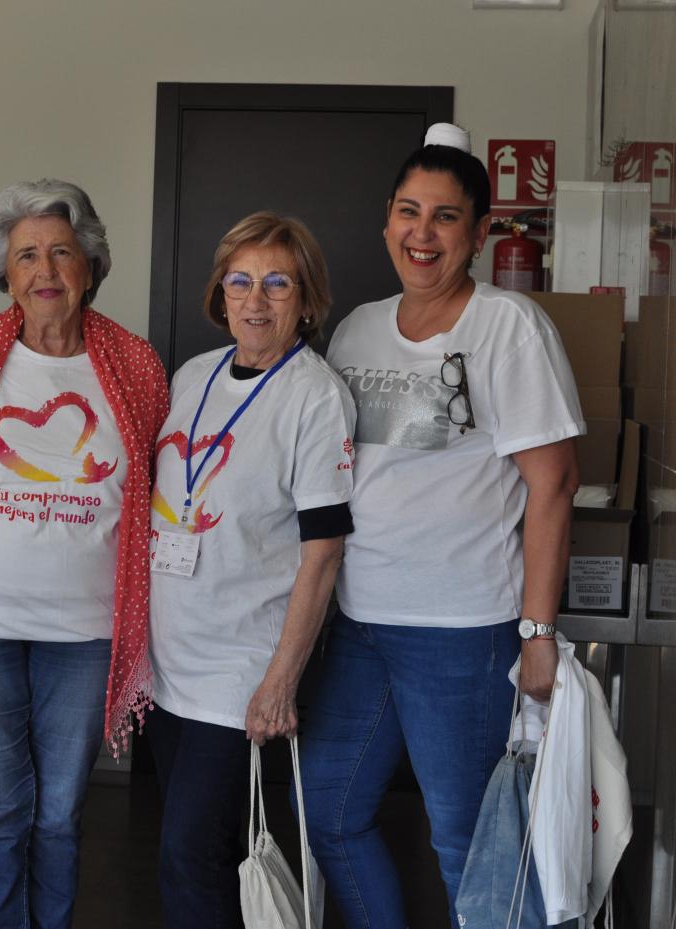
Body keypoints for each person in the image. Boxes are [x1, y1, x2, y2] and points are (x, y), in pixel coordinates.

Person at [300, 122, 583, 926]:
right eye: (408, 211)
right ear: (387, 219)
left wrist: (537, 631)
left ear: (479, 233)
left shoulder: (508, 326)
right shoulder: (356, 328)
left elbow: (555, 483)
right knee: (329, 810)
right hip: (360, 623)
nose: (422, 233)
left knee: (470, 840)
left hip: (462, 631)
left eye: (446, 216)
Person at [0, 178, 168, 929]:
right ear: (5, 272)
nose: (45, 270)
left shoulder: (136, 366)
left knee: (58, 816)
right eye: (26, 255)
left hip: (86, 634)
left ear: (90, 263)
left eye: (61, 251)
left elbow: (155, 492)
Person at [147, 212, 355, 929]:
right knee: (200, 854)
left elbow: (323, 551)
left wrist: (280, 680)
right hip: (168, 663)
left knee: (190, 856)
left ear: (307, 300)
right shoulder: (192, 376)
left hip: (239, 671)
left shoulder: (314, 395)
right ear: (220, 292)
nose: (255, 300)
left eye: (277, 284)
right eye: (240, 281)